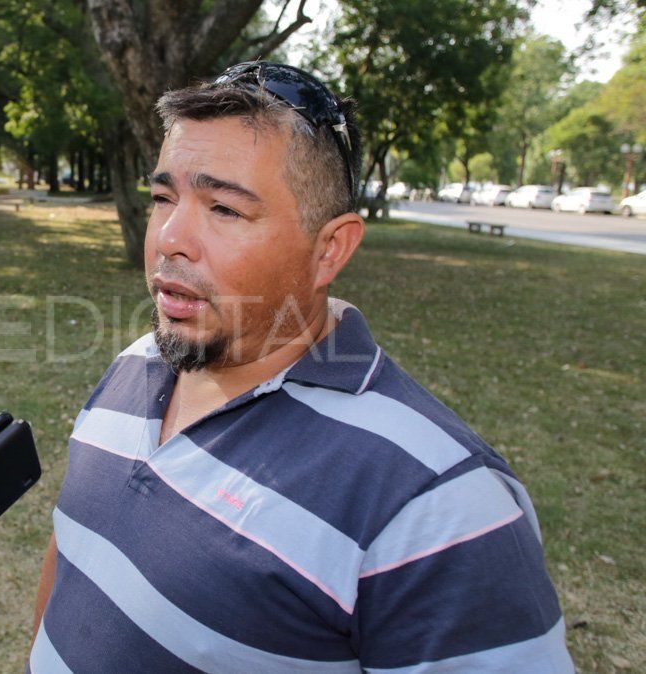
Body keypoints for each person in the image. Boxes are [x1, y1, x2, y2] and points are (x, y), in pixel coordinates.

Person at [29, 62, 574, 672]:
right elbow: (75, 555)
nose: (168, 238)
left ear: (329, 249)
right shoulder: (138, 362)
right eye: (163, 198)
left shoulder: (437, 504)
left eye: (224, 209)